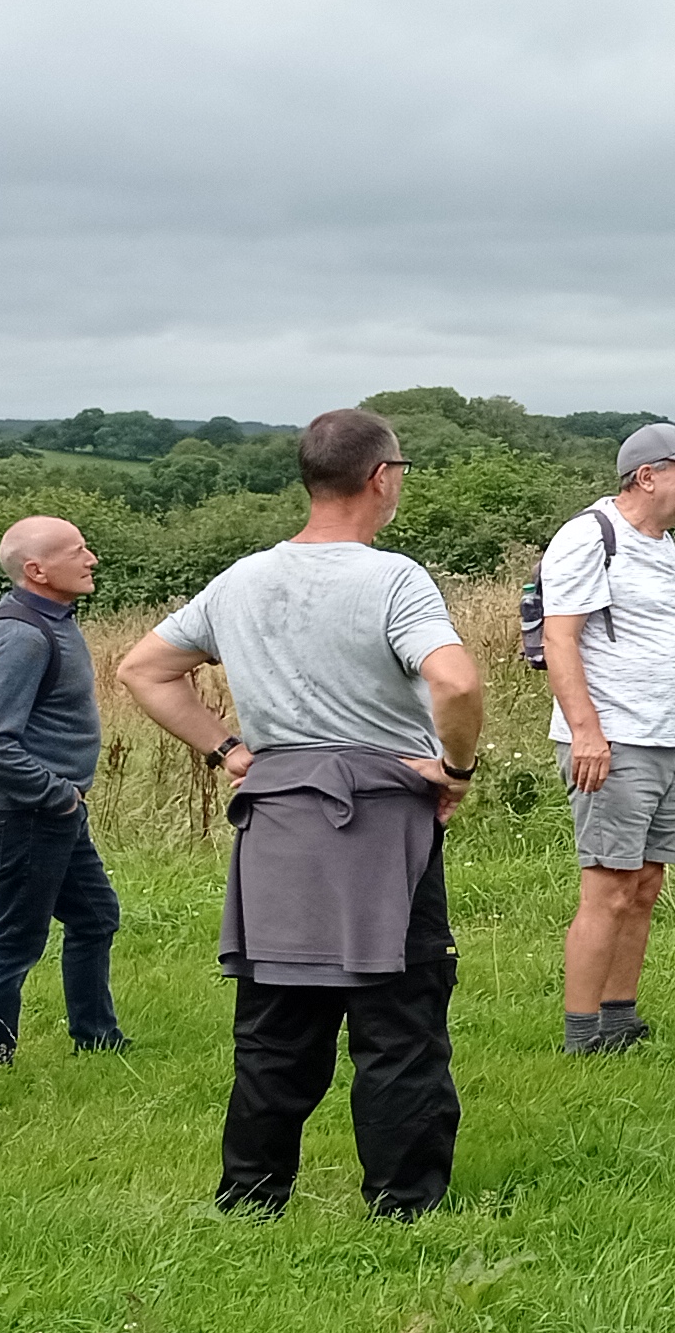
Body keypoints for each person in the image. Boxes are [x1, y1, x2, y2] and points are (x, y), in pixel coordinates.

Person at [121, 408, 480, 1219]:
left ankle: (250, 1198)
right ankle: (403, 1204)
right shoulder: (392, 579)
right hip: (384, 819)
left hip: (278, 817)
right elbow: (456, 682)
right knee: (399, 1013)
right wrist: (455, 767)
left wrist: (229, 752)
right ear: (381, 478)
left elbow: (144, 669)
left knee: (277, 1016)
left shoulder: (241, 579)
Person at [542, 422, 675, 1052]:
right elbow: (559, 638)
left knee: (645, 884)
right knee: (609, 886)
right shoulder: (591, 537)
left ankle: (620, 1018)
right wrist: (588, 734)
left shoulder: (661, 544)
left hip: (668, 741)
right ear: (648, 476)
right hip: (614, 743)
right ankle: (581, 1033)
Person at [0, 515, 130, 1063]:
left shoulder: (52, 620)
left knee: (95, 916)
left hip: (51, 811)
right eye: (77, 550)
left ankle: (98, 1039)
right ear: (37, 570)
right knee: (13, 941)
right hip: (26, 811)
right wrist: (57, 794)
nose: (91, 558)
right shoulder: (22, 635)